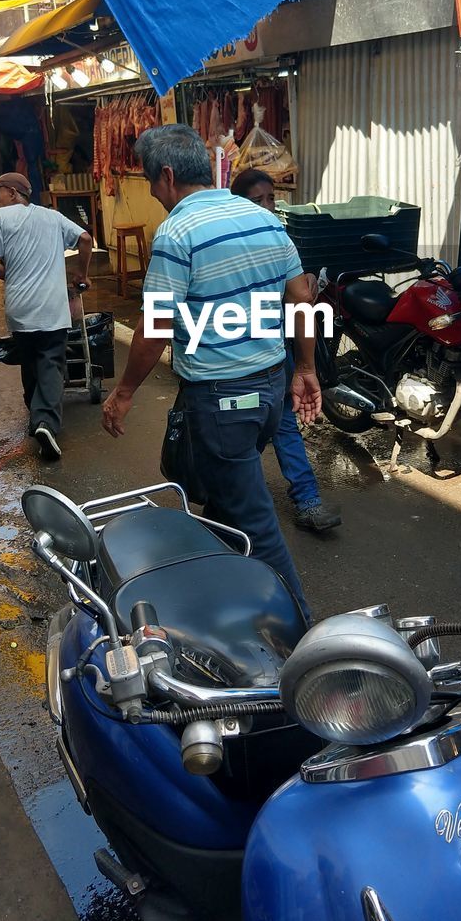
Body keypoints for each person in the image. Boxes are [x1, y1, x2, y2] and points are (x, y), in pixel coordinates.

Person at [101, 125, 320, 619]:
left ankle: (306, 642)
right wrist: (304, 366)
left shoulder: (178, 233)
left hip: (225, 400)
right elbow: (302, 298)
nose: (154, 195)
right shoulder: (262, 217)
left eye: (150, 183)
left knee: (256, 524)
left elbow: (155, 325)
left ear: (169, 175)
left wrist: (124, 391)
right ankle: (229, 603)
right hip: (267, 392)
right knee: (225, 503)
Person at [231, 168, 341, 532]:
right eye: (256, 200)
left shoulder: (281, 237)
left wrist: (305, 282)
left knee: (284, 424)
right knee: (243, 431)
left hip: (275, 350)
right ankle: (233, 508)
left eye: (270, 198)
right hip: (236, 355)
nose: (266, 205)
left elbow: (299, 292)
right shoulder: (230, 244)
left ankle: (308, 500)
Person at [0, 171, 92, 460]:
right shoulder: (52, 217)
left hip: (20, 308)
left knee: (30, 359)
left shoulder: (0, 219)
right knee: (51, 363)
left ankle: (35, 412)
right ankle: (45, 422)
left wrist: (13, 277)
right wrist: (82, 274)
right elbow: (85, 238)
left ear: (14, 194)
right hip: (52, 309)